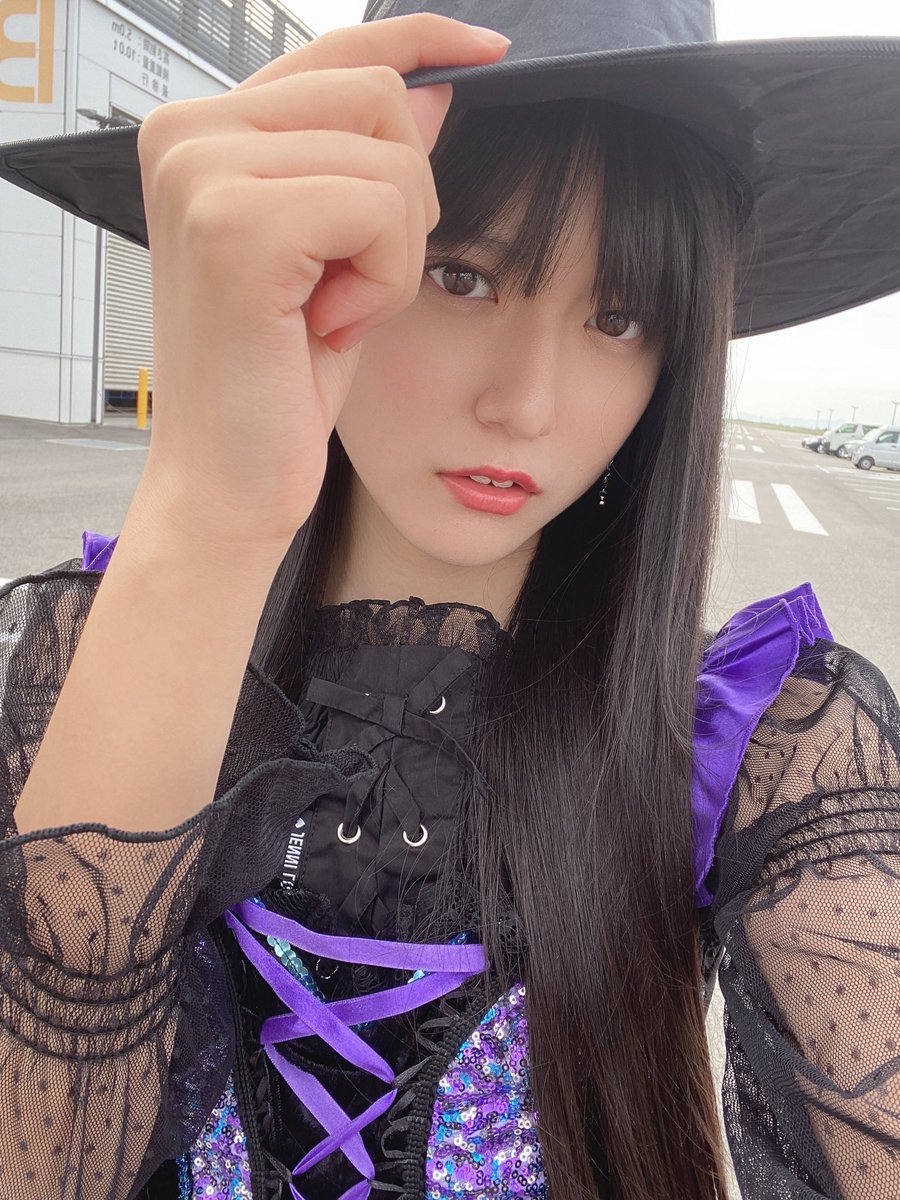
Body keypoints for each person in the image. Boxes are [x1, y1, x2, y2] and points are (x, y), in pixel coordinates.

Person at [0, 2, 898, 1198]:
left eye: (618, 317)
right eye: (463, 275)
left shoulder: (757, 745)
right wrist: (205, 508)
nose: (525, 402)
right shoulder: (105, 649)